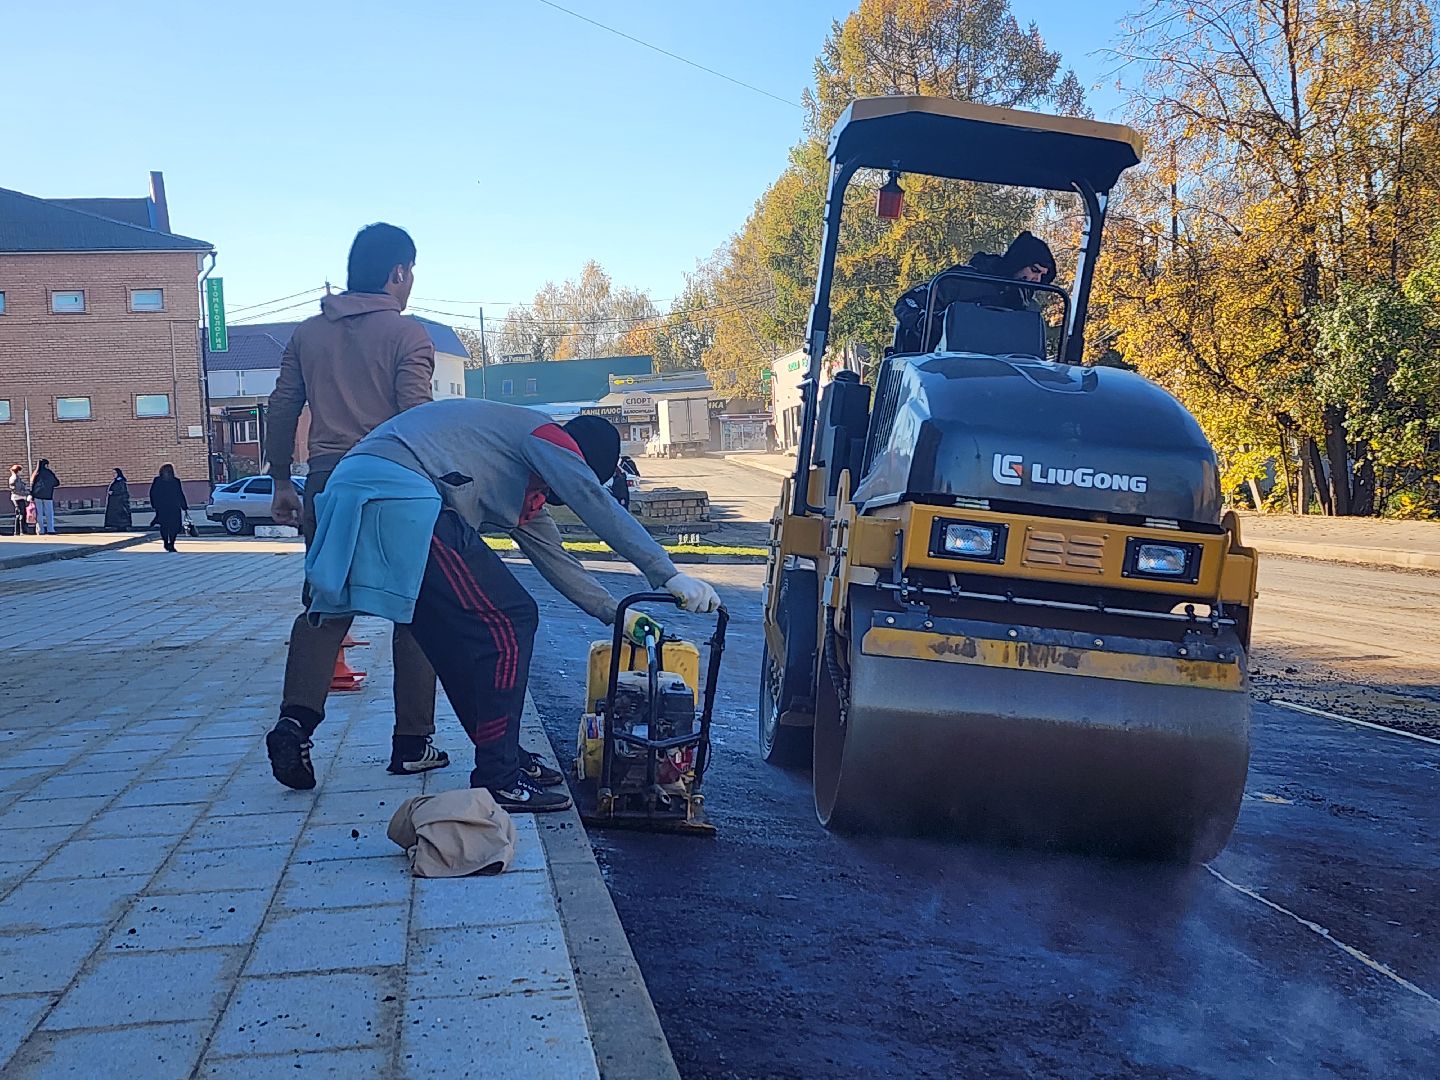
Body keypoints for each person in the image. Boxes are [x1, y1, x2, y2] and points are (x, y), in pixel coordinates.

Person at [266, 399, 722, 813]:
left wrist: (618, 614)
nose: (555, 497)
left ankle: (504, 757)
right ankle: (499, 777)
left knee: (449, 641)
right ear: (574, 461)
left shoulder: (517, 481)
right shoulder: (546, 436)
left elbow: (560, 563)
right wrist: (667, 574)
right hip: (399, 493)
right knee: (512, 619)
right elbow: (593, 501)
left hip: (354, 490)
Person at [264, 222, 448, 780]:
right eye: (411, 273)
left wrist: (281, 481)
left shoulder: (308, 334)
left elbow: (282, 406)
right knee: (416, 611)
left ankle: (295, 725)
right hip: (395, 483)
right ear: (398, 272)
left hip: (328, 483)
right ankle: (412, 743)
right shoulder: (407, 334)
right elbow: (416, 416)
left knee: (325, 604)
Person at [893, 231, 1058, 352]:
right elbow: (907, 302)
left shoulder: (1028, 307)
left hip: (1004, 372)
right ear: (1019, 262)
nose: (1037, 280)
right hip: (941, 366)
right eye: (1034, 270)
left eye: (1042, 275)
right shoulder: (962, 280)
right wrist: (929, 323)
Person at [149, 464, 188, 552]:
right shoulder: (158, 481)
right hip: (164, 507)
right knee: (165, 526)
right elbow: (153, 493)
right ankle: (167, 543)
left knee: (174, 526)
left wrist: (184, 505)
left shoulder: (175, 481)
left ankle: (171, 543)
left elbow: (180, 493)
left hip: (173, 507)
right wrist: (155, 505)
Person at [29, 459, 59, 535]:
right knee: (49, 513)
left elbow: (32, 485)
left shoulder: (36, 474)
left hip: (37, 496)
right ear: (46, 465)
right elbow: (57, 483)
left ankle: (40, 530)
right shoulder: (49, 473)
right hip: (48, 496)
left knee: (39, 514)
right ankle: (50, 529)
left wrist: (31, 494)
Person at [8, 465, 29, 535]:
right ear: (18, 471)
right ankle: (22, 530)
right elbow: (16, 490)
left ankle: (17, 531)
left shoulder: (16, 478)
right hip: (18, 497)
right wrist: (26, 493)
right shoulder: (15, 478)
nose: (22, 472)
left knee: (19, 514)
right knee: (22, 514)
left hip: (18, 497)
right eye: (21, 470)